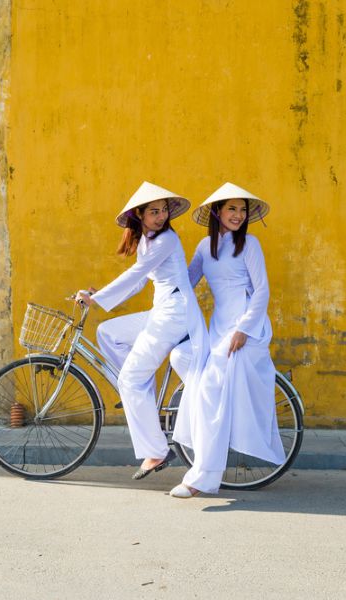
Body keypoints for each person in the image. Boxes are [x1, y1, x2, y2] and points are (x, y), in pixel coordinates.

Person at [78, 182, 208, 480]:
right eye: (154, 212)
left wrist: (96, 299)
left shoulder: (167, 240)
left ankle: (157, 450)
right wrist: (102, 296)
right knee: (108, 333)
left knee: (131, 380)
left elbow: (135, 274)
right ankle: (139, 393)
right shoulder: (149, 241)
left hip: (174, 314)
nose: (161, 216)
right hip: (162, 311)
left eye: (163, 211)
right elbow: (139, 281)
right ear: (140, 215)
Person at [169, 183, 287, 498]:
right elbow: (186, 282)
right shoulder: (203, 249)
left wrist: (244, 329)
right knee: (181, 358)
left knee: (209, 385)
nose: (238, 214)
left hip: (246, 326)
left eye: (242, 209)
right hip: (218, 327)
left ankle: (202, 478)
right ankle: (213, 423)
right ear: (217, 212)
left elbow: (262, 291)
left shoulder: (250, 244)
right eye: (231, 208)